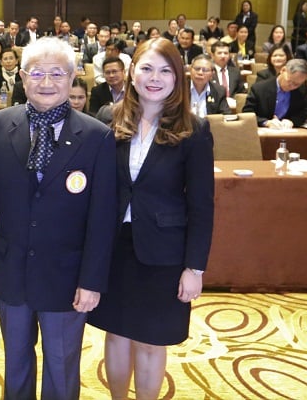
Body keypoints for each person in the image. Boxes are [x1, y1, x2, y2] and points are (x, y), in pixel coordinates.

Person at [0, 36, 118, 400]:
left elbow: (103, 218)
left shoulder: (96, 136)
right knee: (15, 361)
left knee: (62, 364)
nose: (47, 83)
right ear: (22, 77)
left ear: (72, 78)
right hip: (11, 268)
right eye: (37, 73)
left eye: (57, 74)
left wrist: (92, 280)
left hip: (67, 276)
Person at [88, 37, 214, 400]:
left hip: (163, 253)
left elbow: (202, 205)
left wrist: (195, 267)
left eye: (164, 70)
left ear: (178, 76)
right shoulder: (108, 119)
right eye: (146, 68)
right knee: (116, 335)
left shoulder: (194, 129)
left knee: (149, 341)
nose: (154, 78)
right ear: (132, 73)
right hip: (114, 248)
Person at [244, 59, 307, 128]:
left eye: (297, 84)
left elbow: (305, 111)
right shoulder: (259, 88)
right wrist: (266, 122)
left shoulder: (302, 89)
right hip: (264, 132)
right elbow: (247, 113)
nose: (292, 86)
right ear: (283, 70)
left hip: (289, 131)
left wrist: (292, 121)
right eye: (290, 81)